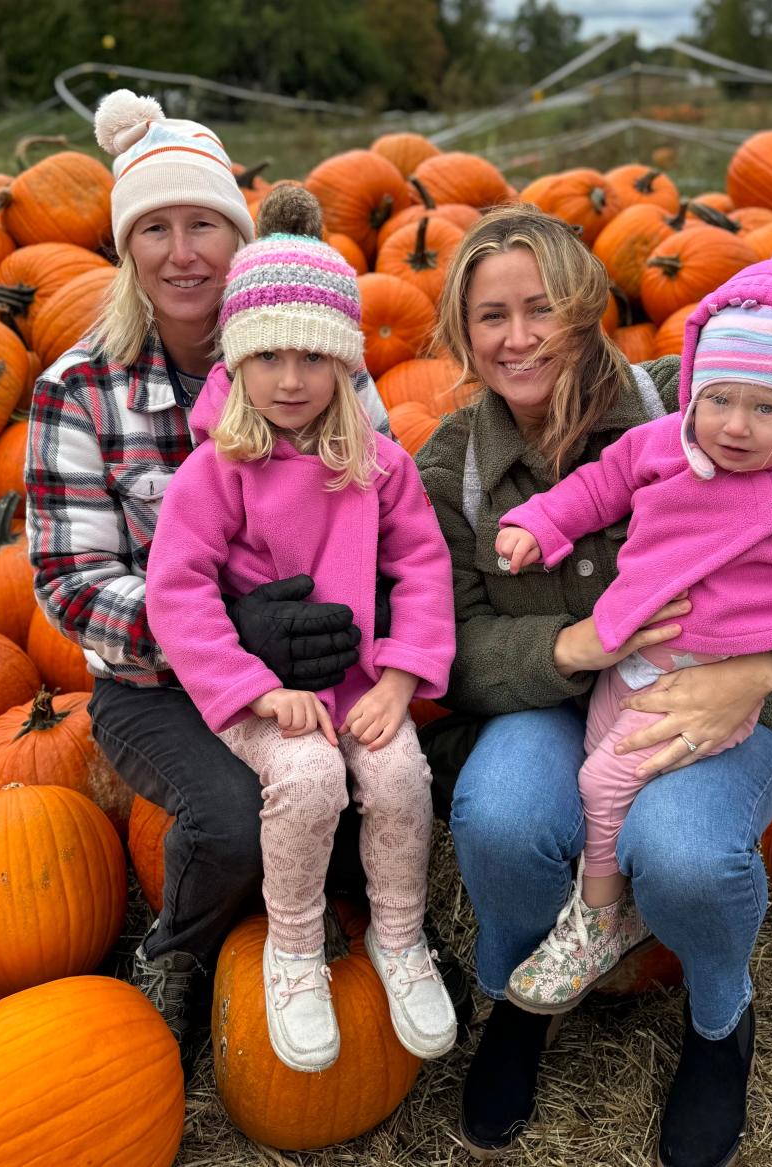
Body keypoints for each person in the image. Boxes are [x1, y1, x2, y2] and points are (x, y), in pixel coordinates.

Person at [414, 206, 772, 1167]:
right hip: (562, 699)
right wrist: (575, 647)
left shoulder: (705, 393)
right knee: (502, 816)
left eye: (543, 307)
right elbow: (455, 650)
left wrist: (764, 668)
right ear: (460, 334)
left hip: (722, 698)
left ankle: (719, 1022)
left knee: (682, 856)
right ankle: (523, 994)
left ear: (589, 310)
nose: (518, 338)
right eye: (490, 316)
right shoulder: (453, 467)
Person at [24, 89, 404, 1073]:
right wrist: (223, 630)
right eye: (156, 228)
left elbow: (388, 506)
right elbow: (70, 584)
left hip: (314, 655)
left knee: (373, 776)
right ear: (127, 248)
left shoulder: (319, 362)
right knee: (232, 818)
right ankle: (182, 949)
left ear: (240, 237)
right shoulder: (80, 390)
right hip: (151, 681)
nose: (183, 251)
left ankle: (377, 930)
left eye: (205, 224)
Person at [494, 243, 772, 1015]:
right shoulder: (661, 446)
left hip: (720, 679)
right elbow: (596, 487)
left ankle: (599, 918)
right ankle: (620, 890)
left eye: (766, 408)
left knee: (601, 779)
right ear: (692, 389)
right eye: (719, 399)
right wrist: (541, 524)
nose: (737, 426)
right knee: (600, 766)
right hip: (632, 658)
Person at [143, 228, 459, 1072]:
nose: (291, 379)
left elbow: (422, 569)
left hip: (356, 683)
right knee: (309, 777)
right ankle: (292, 945)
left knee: (398, 772)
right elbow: (178, 596)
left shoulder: (377, 465)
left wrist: (398, 678)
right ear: (238, 362)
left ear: (344, 367)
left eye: (315, 358)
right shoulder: (213, 473)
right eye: (270, 356)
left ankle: (397, 933)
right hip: (262, 693)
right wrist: (252, 687)